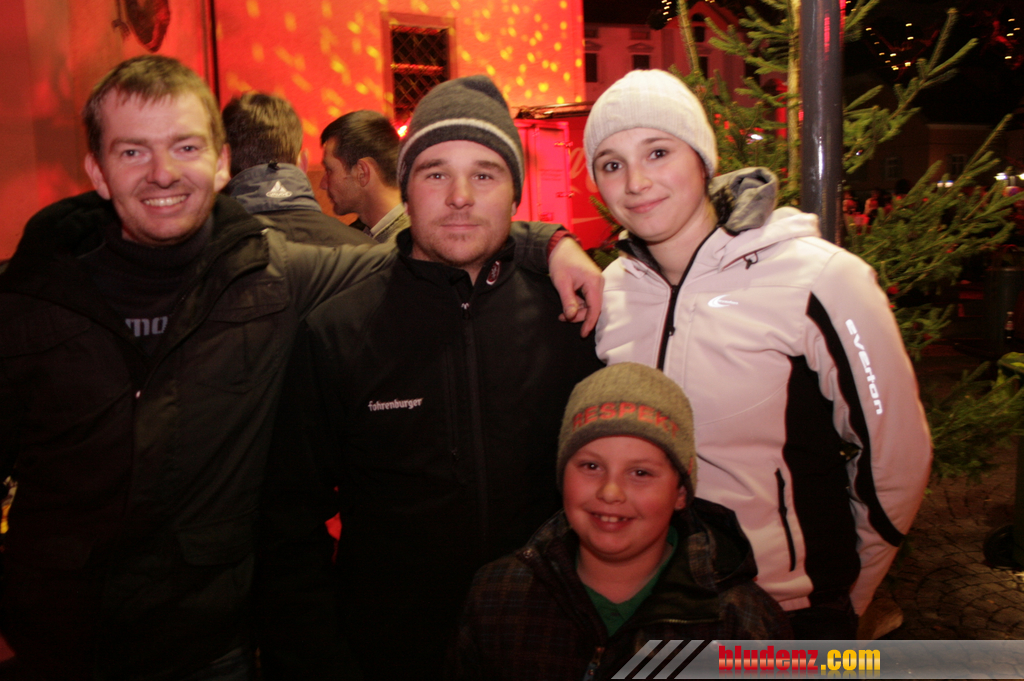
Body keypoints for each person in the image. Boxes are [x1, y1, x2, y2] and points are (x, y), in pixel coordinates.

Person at [0, 56, 601, 681]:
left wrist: (548, 243)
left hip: (220, 645)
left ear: (223, 163)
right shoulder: (30, 303)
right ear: (96, 170)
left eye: (185, 146)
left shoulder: (276, 275)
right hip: (63, 645)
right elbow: (292, 520)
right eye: (132, 151)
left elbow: (451, 247)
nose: (163, 172)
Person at [257, 75, 605, 680]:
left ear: (515, 195)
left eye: (485, 174)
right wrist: (321, 660)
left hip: (545, 649)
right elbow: (287, 524)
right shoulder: (339, 332)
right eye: (436, 173)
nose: (460, 197)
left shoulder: (572, 318)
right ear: (407, 188)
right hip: (390, 656)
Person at [585, 70, 932, 639]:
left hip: (786, 612)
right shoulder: (612, 292)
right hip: (653, 609)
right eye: (611, 164)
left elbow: (897, 458)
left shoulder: (820, 279)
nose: (636, 182)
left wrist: (849, 595)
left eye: (658, 152)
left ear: (703, 160)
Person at [448, 362, 791, 681]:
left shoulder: (744, 623)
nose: (610, 492)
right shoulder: (497, 596)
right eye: (591, 466)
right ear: (562, 477)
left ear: (680, 492)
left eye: (641, 473)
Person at [222, 91, 374, 247]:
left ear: (222, 165)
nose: (323, 184)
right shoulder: (365, 250)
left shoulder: (213, 252)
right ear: (303, 163)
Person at [319, 110, 407, 243]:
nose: (323, 184)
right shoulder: (366, 235)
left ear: (362, 173)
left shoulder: (407, 248)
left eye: (329, 170)